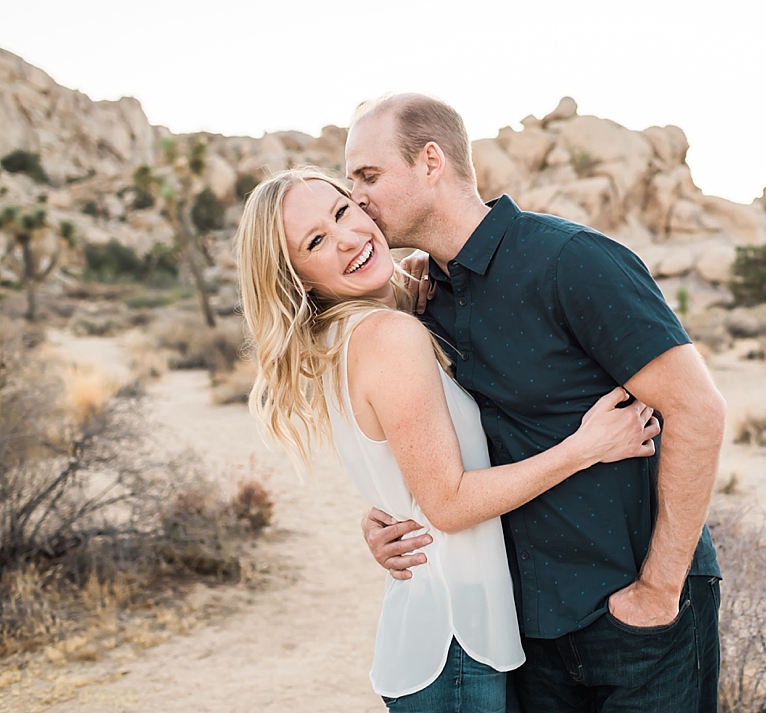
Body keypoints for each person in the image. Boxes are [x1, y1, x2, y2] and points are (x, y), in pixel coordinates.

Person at [349, 94, 727, 712]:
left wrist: (659, 591)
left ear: (431, 161)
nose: (357, 198)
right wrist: (387, 516)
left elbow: (699, 411)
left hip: (636, 605)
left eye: (369, 175)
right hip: (528, 628)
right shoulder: (424, 301)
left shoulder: (570, 260)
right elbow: (446, 450)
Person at [236, 168, 662, 712]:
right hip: (454, 645)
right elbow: (449, 503)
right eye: (315, 242)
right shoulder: (390, 337)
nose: (346, 237)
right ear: (296, 277)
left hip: (441, 636)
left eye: (343, 211)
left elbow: (408, 481)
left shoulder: (345, 339)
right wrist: (586, 447)